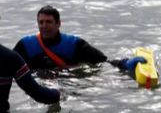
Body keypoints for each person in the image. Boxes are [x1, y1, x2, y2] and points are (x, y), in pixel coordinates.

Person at [13, 5, 147, 74]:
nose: (44, 26)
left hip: (68, 82)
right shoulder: (26, 45)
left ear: (58, 23)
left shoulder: (74, 44)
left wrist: (125, 64)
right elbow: (7, 67)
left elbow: (103, 62)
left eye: (48, 22)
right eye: (41, 22)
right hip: (37, 85)